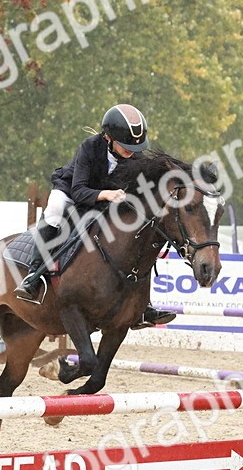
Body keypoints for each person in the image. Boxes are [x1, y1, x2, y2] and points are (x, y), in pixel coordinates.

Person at [14, 104, 176, 328]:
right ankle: (33, 275)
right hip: (73, 190)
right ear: (108, 137)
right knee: (54, 210)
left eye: (135, 146)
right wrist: (106, 194)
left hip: (108, 199)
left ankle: (142, 306)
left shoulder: (136, 158)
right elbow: (79, 191)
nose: (131, 150)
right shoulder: (90, 147)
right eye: (125, 144)